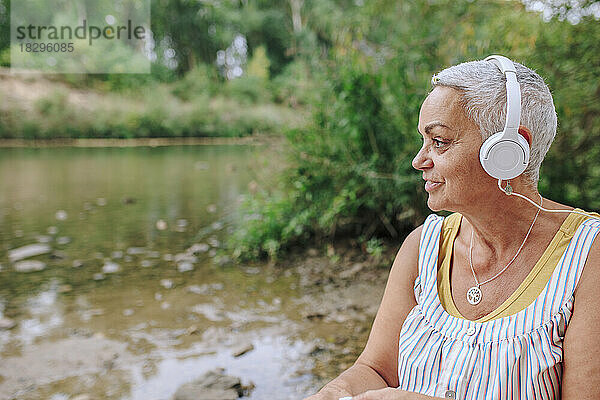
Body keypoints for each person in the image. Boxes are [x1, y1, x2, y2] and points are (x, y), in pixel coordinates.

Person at [303, 56, 600, 400]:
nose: (419, 161)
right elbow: (377, 370)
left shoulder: (589, 257)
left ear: (508, 151)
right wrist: (334, 391)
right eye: (423, 141)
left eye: (439, 142)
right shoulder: (423, 246)